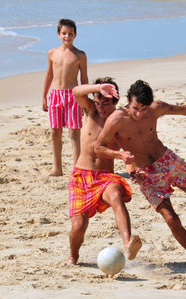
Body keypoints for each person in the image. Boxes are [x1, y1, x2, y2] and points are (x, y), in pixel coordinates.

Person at [94, 80, 186, 268]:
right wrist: (120, 155)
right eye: (135, 108)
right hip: (146, 174)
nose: (138, 114)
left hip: (167, 161)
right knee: (171, 219)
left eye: (143, 109)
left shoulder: (155, 108)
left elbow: (183, 110)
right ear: (128, 101)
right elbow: (98, 147)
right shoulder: (116, 120)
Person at [67, 77, 142, 265]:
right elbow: (76, 91)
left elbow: (128, 154)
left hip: (105, 177)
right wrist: (99, 87)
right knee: (78, 226)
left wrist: (132, 171)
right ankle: (73, 255)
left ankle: (128, 245)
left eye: (106, 104)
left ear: (116, 101)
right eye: (98, 102)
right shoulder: (90, 110)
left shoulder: (120, 122)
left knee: (116, 196)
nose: (101, 107)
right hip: (81, 176)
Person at [42, 18, 88, 176]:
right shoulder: (52, 53)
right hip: (55, 94)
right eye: (64, 33)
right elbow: (48, 76)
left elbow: (84, 80)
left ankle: (77, 168)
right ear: (58, 35)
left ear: (75, 35)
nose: (67, 36)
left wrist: (85, 101)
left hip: (73, 96)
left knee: (74, 133)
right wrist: (44, 97)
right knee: (55, 131)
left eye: (70, 34)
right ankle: (57, 168)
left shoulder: (80, 55)